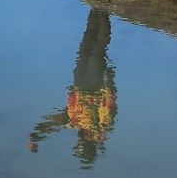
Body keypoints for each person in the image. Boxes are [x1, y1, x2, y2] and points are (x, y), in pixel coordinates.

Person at [28, 9, 119, 168]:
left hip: (80, 82)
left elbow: (53, 123)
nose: (77, 140)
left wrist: (37, 135)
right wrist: (108, 80)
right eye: (80, 144)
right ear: (87, 143)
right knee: (97, 50)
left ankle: (97, 9)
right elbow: (109, 103)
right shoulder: (102, 126)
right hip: (94, 85)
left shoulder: (74, 122)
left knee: (85, 47)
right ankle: (102, 12)